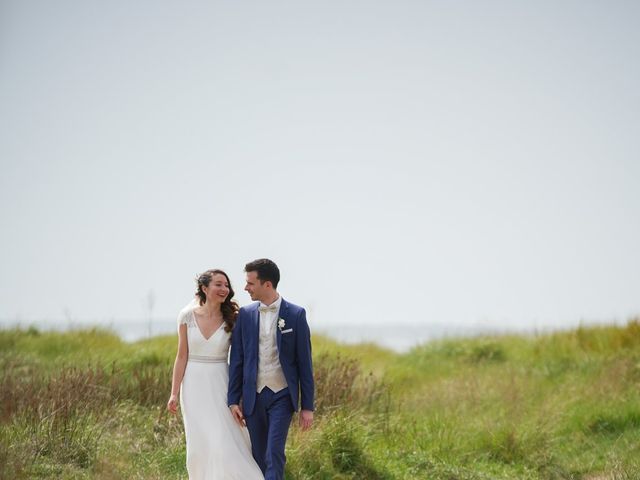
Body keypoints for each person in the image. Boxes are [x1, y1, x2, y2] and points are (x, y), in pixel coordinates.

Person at [167, 269, 263, 480]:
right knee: (199, 444)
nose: (224, 289)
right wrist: (174, 393)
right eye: (218, 284)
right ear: (204, 288)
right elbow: (181, 356)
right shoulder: (186, 317)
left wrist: (239, 394)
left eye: (226, 285)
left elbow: (241, 358)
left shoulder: (234, 318)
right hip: (192, 386)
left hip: (221, 381)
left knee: (224, 439)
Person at [228, 258, 315, 480]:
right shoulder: (245, 316)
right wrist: (233, 399)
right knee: (257, 454)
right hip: (252, 397)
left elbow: (305, 363)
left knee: (274, 452)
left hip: (282, 396)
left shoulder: (296, 314)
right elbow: (237, 359)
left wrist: (307, 406)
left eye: (250, 283)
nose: (246, 287)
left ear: (267, 284)